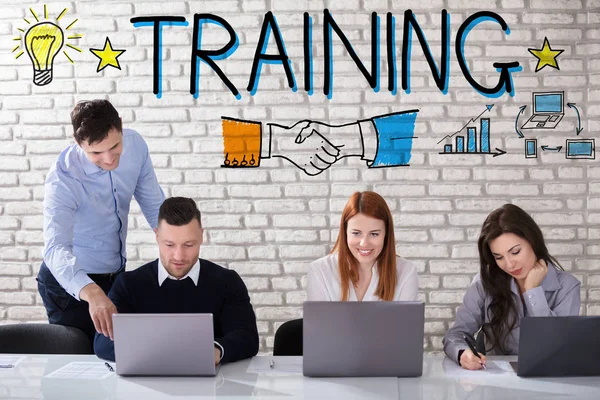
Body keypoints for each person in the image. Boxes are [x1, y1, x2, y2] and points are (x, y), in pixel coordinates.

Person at [38, 99, 165, 343]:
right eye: (96, 152)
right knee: (80, 360)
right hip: (72, 283)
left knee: (121, 356)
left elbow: (153, 204)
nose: (108, 159)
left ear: (121, 127)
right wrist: (92, 293)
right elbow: (55, 249)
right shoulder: (63, 179)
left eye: (115, 146)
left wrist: (174, 244)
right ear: (79, 143)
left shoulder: (136, 145)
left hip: (115, 275)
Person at [94, 197, 259, 364]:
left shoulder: (227, 282)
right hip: (147, 385)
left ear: (201, 236)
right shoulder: (128, 284)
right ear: (157, 236)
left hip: (212, 385)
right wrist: (169, 355)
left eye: (188, 245)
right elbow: (103, 343)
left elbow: (247, 337)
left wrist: (214, 352)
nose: (179, 256)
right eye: (170, 245)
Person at [443, 204, 581, 370]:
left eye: (515, 252)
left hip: (549, 378)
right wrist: (462, 353)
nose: (509, 264)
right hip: (499, 383)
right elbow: (456, 334)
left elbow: (556, 345)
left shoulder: (567, 287)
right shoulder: (483, 283)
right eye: (499, 257)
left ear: (533, 242)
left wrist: (533, 291)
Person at [307, 191, 418, 301]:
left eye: (374, 234)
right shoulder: (320, 271)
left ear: (386, 234)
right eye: (356, 233)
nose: (364, 243)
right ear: (345, 232)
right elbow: (319, 319)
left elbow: (405, 319)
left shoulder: (406, 271)